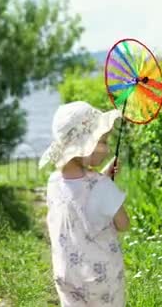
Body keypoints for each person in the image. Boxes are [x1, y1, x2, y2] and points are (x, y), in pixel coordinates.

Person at [39, 101, 130, 306]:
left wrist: (103, 178)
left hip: (66, 274)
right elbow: (124, 224)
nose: (107, 149)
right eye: (104, 141)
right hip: (101, 278)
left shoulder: (53, 181)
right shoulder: (101, 186)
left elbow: (79, 198)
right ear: (84, 145)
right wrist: (106, 184)